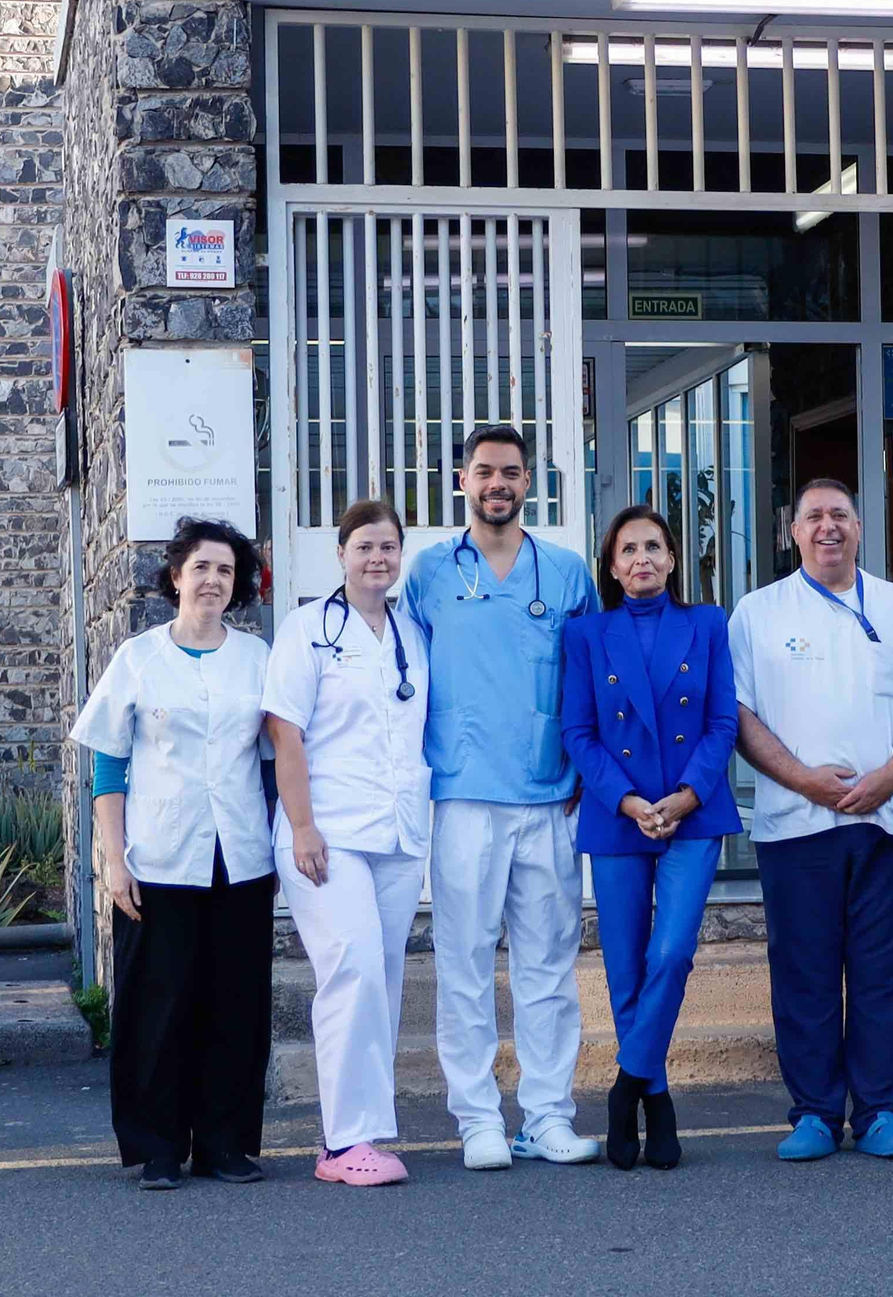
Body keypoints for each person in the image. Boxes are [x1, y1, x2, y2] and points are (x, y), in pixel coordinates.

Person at [402, 425, 602, 1170]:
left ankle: (546, 1116)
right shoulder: (426, 573)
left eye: (511, 473)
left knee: (549, 967)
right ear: (463, 480)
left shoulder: (566, 573)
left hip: (550, 799)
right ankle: (477, 1117)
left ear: (529, 483)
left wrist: (590, 769)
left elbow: (589, 679)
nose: (498, 484)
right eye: (485, 471)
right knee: (463, 963)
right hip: (463, 797)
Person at [728, 479, 893, 1163]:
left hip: (889, 822)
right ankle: (815, 1111)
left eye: (840, 515)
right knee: (804, 973)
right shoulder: (757, 613)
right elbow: (738, 715)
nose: (828, 527)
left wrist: (887, 778)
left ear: (860, 527)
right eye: (814, 516)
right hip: (796, 825)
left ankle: (880, 1110)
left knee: (884, 973)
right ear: (793, 531)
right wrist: (803, 780)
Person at [70, 517, 274, 1191]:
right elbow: (108, 765)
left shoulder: (257, 659)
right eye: (202, 567)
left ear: (238, 583)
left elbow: (275, 762)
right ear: (177, 576)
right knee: (157, 1005)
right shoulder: (137, 657)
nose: (213, 580)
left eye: (226, 570)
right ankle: (155, 1146)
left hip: (239, 855)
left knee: (235, 1003)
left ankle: (225, 1142)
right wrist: (113, 860)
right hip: (157, 856)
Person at [563, 506, 742, 1170]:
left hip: (694, 811)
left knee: (671, 955)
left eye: (654, 547)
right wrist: (632, 801)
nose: (642, 559)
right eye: (628, 550)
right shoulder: (586, 635)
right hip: (619, 815)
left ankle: (626, 1086)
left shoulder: (708, 624)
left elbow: (723, 721)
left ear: (673, 559)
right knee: (625, 965)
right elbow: (577, 733)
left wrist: (687, 794)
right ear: (611, 567)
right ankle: (657, 1096)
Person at [264, 498, 430, 1187]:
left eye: (389, 547)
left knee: (383, 978)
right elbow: (283, 729)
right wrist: (301, 824)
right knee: (353, 969)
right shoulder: (308, 628)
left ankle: (366, 1130)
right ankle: (341, 1142)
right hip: (326, 832)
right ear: (341, 554)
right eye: (364, 546)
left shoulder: (412, 632)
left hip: (395, 828)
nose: (378, 558)